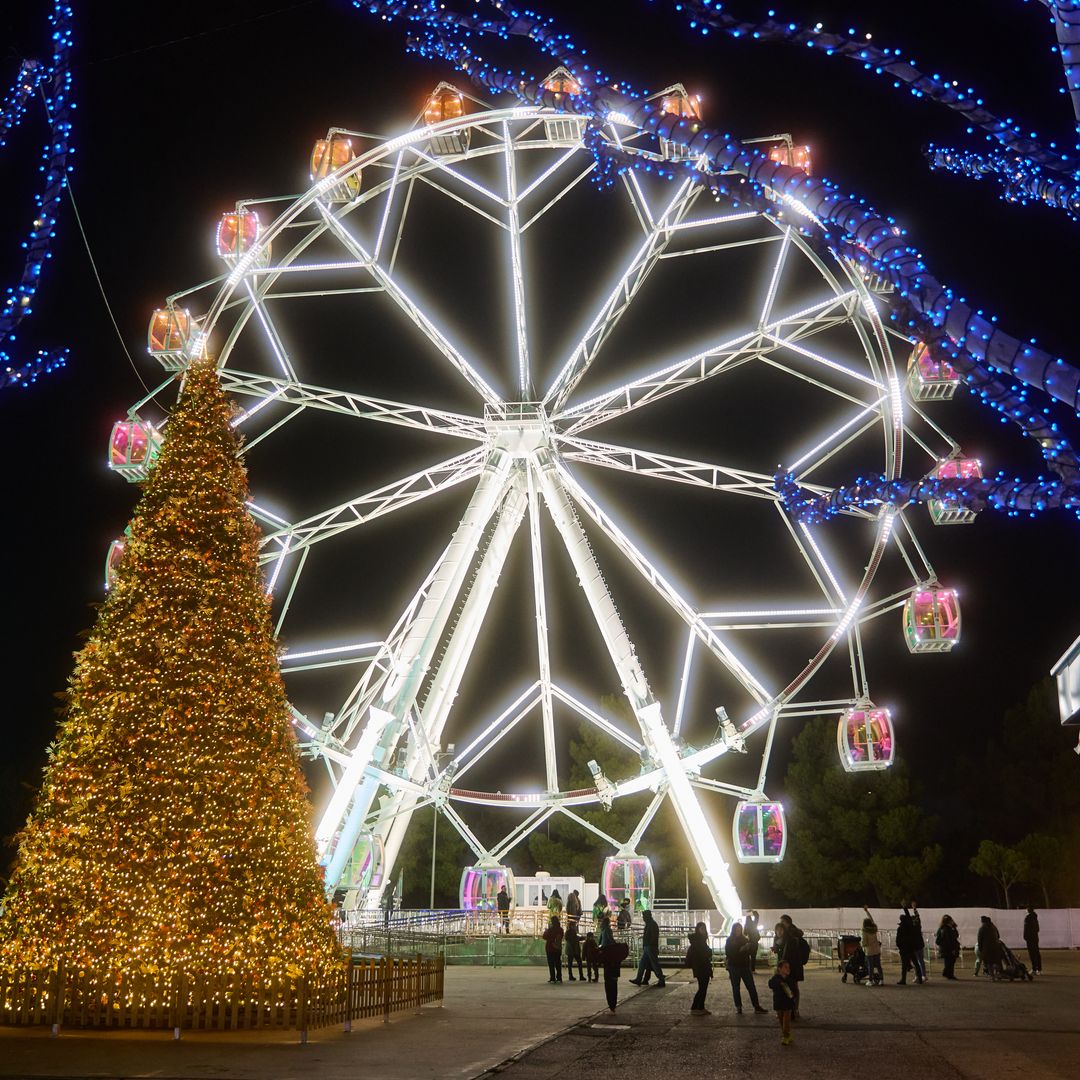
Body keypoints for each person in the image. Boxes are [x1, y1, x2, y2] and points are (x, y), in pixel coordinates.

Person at [724, 922, 766, 1014]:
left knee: (751, 986)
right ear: (733, 930)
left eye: (739, 929)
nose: (738, 931)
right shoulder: (730, 940)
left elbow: (750, 952)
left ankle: (756, 1006)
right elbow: (728, 953)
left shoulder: (745, 939)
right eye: (736, 930)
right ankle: (738, 1007)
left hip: (744, 966)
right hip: (734, 966)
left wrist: (749, 948)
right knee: (736, 988)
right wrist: (740, 950)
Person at [778, 914, 806, 1018]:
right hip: (793, 964)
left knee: (792, 987)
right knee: (792, 987)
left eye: (782, 922)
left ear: (787, 922)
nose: (781, 924)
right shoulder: (792, 932)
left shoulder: (791, 934)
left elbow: (789, 950)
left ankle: (793, 1010)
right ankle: (792, 1010)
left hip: (791, 964)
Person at [598, 915, 629, 1012]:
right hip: (612, 961)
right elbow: (610, 940)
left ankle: (610, 1004)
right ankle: (613, 1004)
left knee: (607, 982)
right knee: (613, 983)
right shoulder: (608, 930)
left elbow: (600, 942)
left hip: (606, 957)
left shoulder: (603, 930)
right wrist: (616, 944)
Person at [629, 909, 665, 987]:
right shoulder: (650, 924)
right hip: (648, 947)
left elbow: (653, 936)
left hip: (650, 947)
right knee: (643, 964)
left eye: (644, 916)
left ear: (647, 916)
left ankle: (661, 979)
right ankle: (639, 979)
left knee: (654, 964)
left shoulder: (652, 924)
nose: (643, 918)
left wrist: (649, 944)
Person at [685, 921, 714, 1015]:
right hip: (701, 967)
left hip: (701, 966)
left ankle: (698, 1007)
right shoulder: (698, 941)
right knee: (702, 988)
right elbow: (704, 953)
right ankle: (697, 1008)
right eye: (702, 929)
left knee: (702, 988)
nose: (703, 931)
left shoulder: (699, 940)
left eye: (704, 929)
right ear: (698, 930)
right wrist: (709, 951)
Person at [768, 959, 797, 1046]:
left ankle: (786, 1036)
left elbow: (794, 990)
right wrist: (779, 983)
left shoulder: (790, 979)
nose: (788, 969)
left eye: (788, 967)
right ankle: (787, 1034)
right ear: (779, 969)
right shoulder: (775, 978)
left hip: (788, 1003)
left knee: (786, 1020)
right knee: (781, 1019)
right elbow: (770, 984)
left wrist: (793, 997)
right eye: (785, 967)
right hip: (778, 1002)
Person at [896, 909, 920, 984]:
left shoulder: (900, 928)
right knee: (916, 963)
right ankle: (920, 978)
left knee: (904, 965)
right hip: (911, 948)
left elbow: (898, 939)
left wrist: (899, 946)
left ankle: (903, 979)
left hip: (904, 949)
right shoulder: (910, 927)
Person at [862, 907, 884, 986]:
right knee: (878, 965)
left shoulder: (865, 931)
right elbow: (871, 919)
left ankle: (870, 980)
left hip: (869, 951)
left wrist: (862, 945)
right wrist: (867, 911)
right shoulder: (874, 929)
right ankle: (881, 980)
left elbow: (864, 942)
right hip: (877, 949)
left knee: (870, 966)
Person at [977, 915, 1002, 980]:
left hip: (987, 948)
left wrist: (980, 948)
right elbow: (998, 936)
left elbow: (979, 939)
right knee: (996, 961)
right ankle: (998, 974)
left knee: (989, 963)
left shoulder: (982, 928)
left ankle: (992, 976)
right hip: (996, 947)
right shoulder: (994, 927)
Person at [936, 914, 960, 980]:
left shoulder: (941, 928)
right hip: (948, 948)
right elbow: (951, 939)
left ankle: (947, 973)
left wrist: (954, 927)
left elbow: (955, 936)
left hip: (945, 948)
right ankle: (949, 974)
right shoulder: (947, 929)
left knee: (949, 961)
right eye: (951, 920)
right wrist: (952, 949)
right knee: (950, 962)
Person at [543, 914, 564, 983]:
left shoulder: (550, 929)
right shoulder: (560, 929)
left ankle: (552, 977)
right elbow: (561, 937)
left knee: (551, 964)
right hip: (558, 948)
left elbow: (544, 936)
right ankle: (559, 977)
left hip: (550, 948)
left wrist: (546, 931)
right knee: (558, 963)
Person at [910, 902, 928, 983]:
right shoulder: (918, 926)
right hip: (921, 945)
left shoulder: (911, 928)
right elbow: (917, 916)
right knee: (921, 961)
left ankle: (917, 976)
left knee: (915, 962)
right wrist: (914, 908)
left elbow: (916, 917)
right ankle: (924, 975)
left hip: (915, 946)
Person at [1024, 907, 1042, 975]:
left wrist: (1026, 936)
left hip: (1030, 938)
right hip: (1034, 938)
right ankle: (1038, 969)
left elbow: (1026, 929)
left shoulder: (1028, 918)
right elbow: (1037, 929)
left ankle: (1035, 968)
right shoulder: (1035, 918)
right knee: (1036, 953)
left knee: (1033, 954)